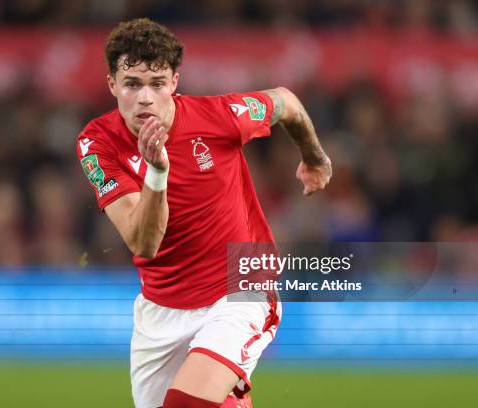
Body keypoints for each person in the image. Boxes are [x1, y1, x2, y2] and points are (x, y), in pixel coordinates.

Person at [77, 18, 332, 408]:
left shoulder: (220, 116)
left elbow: (286, 102)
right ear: (112, 85)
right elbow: (144, 242)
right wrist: (158, 172)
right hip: (161, 308)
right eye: (131, 84)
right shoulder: (97, 142)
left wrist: (314, 157)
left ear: (175, 83)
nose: (145, 97)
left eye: (157, 84)